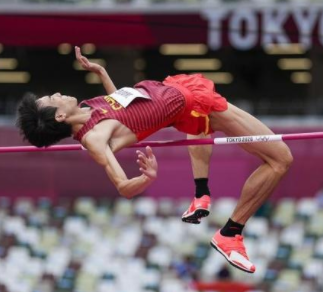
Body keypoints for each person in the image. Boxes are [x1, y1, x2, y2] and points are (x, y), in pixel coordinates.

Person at [16, 46, 293, 273]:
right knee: (280, 159)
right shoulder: (94, 138)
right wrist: (146, 177)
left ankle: (202, 195)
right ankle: (230, 234)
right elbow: (123, 187)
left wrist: (101, 72)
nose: (57, 94)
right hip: (193, 105)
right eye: (52, 98)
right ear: (59, 117)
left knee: (206, 134)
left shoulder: (88, 107)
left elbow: (120, 104)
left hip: (180, 93)